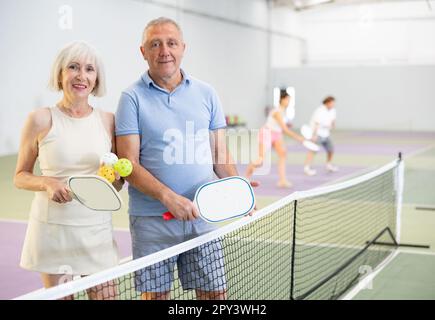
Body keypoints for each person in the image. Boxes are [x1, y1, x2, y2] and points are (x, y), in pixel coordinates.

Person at [115, 17, 253, 300]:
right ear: (143, 52)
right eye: (155, 44)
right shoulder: (131, 98)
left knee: (215, 296)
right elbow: (128, 165)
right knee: (156, 299)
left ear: (183, 48)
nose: (164, 50)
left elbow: (219, 154)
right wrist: (167, 197)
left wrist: (237, 188)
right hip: (151, 221)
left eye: (171, 43)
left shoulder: (207, 93)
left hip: (203, 217)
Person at [15, 41, 122, 299]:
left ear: (96, 79)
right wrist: (47, 183)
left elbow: (116, 185)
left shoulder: (108, 121)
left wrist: (116, 179)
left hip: (96, 231)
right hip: (54, 232)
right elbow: (20, 176)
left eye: (89, 69)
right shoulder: (40, 119)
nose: (81, 76)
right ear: (60, 74)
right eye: (73, 67)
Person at [245, 90, 304, 188]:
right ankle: (246, 178)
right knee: (260, 160)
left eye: (290, 100)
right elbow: (285, 129)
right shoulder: (277, 112)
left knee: (283, 154)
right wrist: (298, 138)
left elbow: (282, 126)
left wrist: (287, 124)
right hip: (267, 133)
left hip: (277, 134)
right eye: (287, 100)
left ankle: (282, 180)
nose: (289, 102)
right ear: (282, 100)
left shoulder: (283, 112)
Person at [303, 96, 338, 176]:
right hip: (317, 134)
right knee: (313, 150)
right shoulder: (320, 111)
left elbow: (333, 120)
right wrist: (314, 135)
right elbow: (316, 124)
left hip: (326, 134)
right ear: (327, 103)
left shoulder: (333, 110)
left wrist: (333, 124)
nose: (333, 104)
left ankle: (328, 165)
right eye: (332, 103)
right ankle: (307, 168)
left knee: (331, 149)